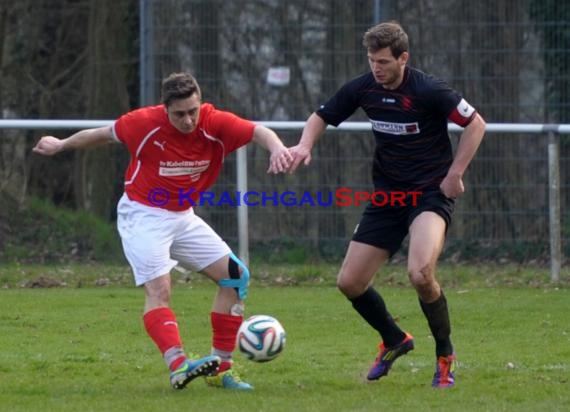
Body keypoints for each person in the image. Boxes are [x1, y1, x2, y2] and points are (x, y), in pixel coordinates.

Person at [33, 72, 292, 391]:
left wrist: (277, 148)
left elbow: (258, 131)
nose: (187, 120)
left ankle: (220, 369)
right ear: (165, 108)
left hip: (182, 216)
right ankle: (178, 365)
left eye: (193, 111)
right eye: (179, 114)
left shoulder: (215, 124)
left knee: (236, 276)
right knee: (159, 290)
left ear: (201, 102)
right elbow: (100, 135)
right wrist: (61, 144)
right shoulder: (142, 123)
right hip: (143, 215)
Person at [287, 21, 486, 388]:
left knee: (420, 273)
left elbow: (476, 124)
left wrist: (455, 173)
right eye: (371, 60)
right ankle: (395, 339)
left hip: (429, 194)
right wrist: (304, 145)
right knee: (349, 282)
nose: (376, 68)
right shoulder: (365, 89)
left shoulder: (427, 89)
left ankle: (445, 355)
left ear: (403, 58)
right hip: (388, 197)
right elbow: (321, 115)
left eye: (382, 61)